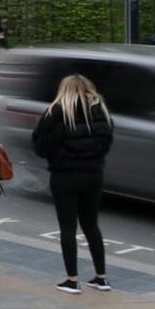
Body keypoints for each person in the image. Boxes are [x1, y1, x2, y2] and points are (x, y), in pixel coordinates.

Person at [32, 74, 115, 293]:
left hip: (64, 175)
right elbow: (106, 142)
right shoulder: (100, 111)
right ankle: (101, 277)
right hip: (93, 174)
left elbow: (40, 145)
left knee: (67, 227)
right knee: (91, 224)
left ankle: (72, 279)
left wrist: (59, 153)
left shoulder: (57, 111)